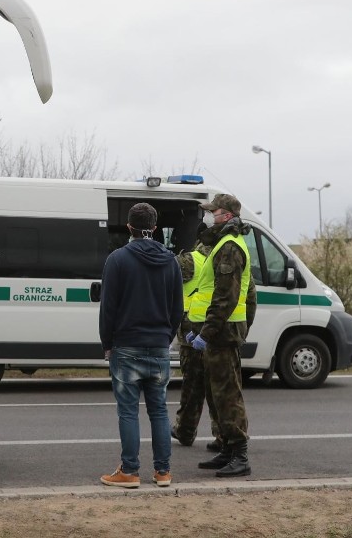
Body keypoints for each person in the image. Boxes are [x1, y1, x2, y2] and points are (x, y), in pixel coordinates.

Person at [99, 203, 183, 489]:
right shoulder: (170, 261)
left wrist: (107, 343)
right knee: (159, 409)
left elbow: (108, 307)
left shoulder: (117, 260)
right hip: (158, 345)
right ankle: (163, 472)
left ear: (129, 227)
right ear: (155, 228)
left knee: (128, 411)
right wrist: (165, 337)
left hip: (126, 345)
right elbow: (177, 308)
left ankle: (130, 471)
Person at [187, 194, 257, 477]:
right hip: (219, 332)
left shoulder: (229, 247)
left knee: (228, 395)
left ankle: (239, 454)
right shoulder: (222, 244)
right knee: (217, 394)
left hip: (221, 333)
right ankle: (227, 450)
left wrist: (208, 331)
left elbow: (225, 297)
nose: (209, 216)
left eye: (213, 211)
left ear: (226, 215)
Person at [170, 228, 223, 451]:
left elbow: (165, 279)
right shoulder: (223, 256)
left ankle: (186, 429)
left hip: (192, 330)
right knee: (217, 387)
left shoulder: (189, 260)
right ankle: (223, 435)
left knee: (192, 385)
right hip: (217, 329)